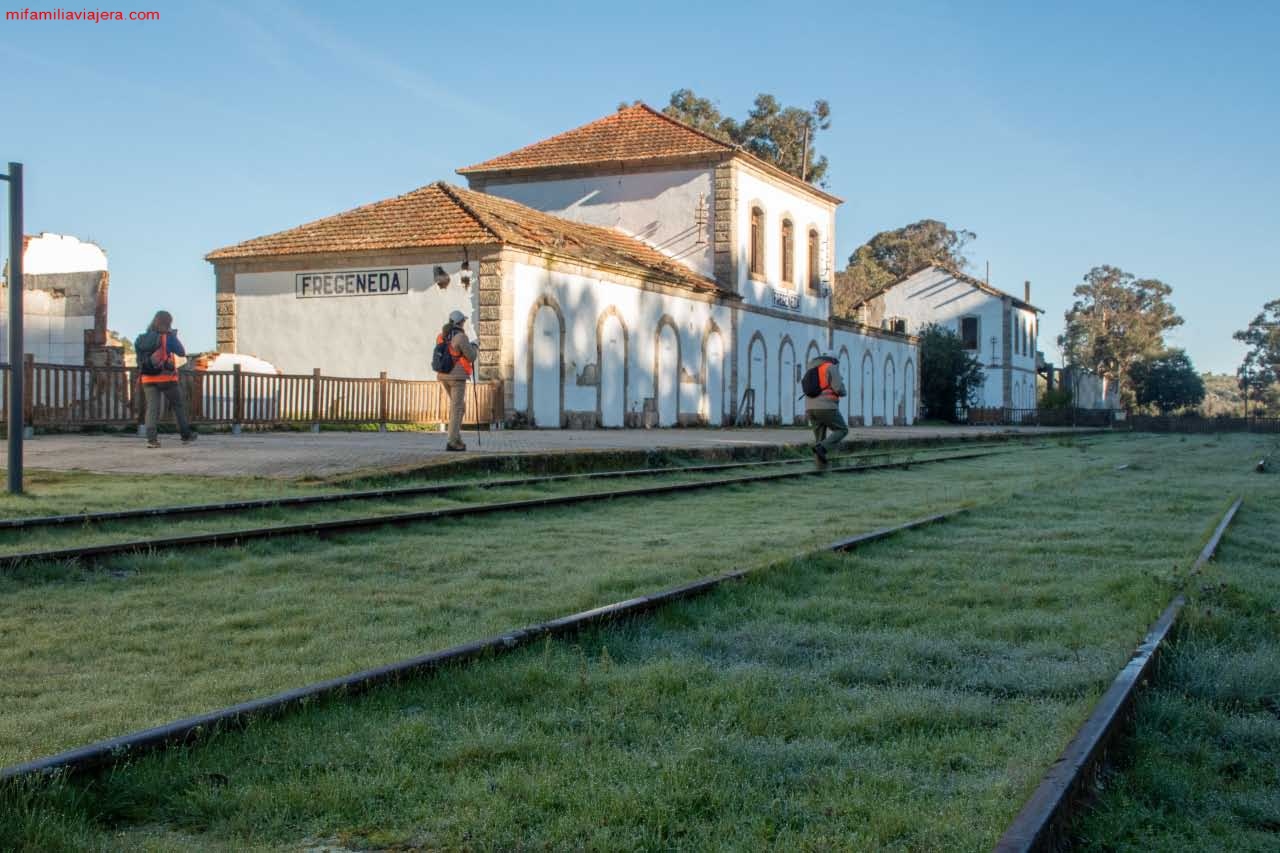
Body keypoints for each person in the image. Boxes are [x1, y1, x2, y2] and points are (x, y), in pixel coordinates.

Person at [134, 311, 197, 449]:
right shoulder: (167, 337)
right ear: (168, 323)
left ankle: (151, 439)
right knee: (177, 405)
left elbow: (139, 358)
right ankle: (185, 435)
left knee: (152, 408)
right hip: (166, 377)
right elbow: (181, 352)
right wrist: (173, 336)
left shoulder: (141, 338)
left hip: (147, 378)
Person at [436, 309, 478, 451]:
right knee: (457, 408)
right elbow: (471, 356)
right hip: (457, 377)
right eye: (464, 321)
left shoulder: (442, 336)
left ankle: (457, 438)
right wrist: (475, 346)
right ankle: (452, 442)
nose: (464, 323)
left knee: (460, 407)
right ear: (460, 322)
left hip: (443, 375)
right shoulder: (460, 337)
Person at [804, 354, 848, 466]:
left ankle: (819, 467)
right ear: (834, 360)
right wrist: (843, 390)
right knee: (842, 430)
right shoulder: (830, 367)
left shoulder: (810, 368)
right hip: (826, 406)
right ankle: (823, 448)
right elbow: (839, 389)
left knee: (819, 438)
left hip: (810, 408)